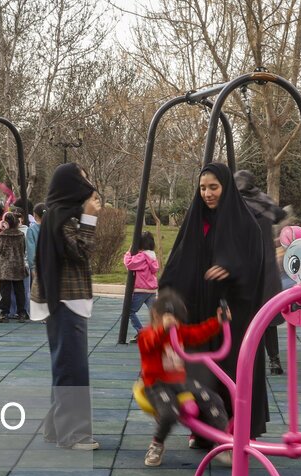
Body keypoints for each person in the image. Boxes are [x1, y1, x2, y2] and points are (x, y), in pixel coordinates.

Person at [159, 162, 269, 443]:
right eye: (203, 188)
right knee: (200, 370)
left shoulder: (245, 225)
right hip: (199, 312)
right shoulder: (196, 222)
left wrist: (232, 269)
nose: (207, 193)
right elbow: (176, 264)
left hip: (232, 313)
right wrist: (169, 300)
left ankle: (239, 429)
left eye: (213, 187)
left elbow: (256, 268)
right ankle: (203, 429)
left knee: (232, 369)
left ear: (226, 188)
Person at [31, 163, 101, 450]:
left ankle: (55, 428)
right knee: (72, 369)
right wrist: (90, 218)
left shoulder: (59, 215)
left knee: (65, 366)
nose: (88, 184)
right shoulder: (63, 218)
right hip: (65, 300)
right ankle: (73, 434)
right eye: (83, 179)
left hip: (64, 299)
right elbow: (82, 251)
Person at [139, 291, 230, 467]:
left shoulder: (179, 331)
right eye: (171, 320)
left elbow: (198, 333)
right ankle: (157, 443)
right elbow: (149, 343)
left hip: (180, 381)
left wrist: (218, 322)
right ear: (156, 315)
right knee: (169, 413)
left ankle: (223, 442)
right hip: (157, 384)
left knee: (213, 399)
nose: (175, 325)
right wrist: (162, 330)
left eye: (177, 321)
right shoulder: (146, 334)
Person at [235, 170, 288, 375]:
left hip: (246, 269)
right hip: (267, 267)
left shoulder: (237, 206)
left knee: (242, 316)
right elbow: (281, 215)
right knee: (268, 318)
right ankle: (274, 361)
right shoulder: (264, 202)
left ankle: (244, 360)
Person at [0, 212, 29, 323]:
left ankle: (4, 313)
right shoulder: (21, 235)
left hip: (4, 268)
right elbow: (23, 250)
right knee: (20, 290)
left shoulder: (0, 236)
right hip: (18, 266)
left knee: (5, 291)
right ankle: (22, 312)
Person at [123, 232, 160, 341]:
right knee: (155, 313)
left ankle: (141, 332)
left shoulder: (142, 256)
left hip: (141, 290)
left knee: (129, 311)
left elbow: (129, 264)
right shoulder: (152, 256)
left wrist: (129, 252)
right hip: (152, 290)